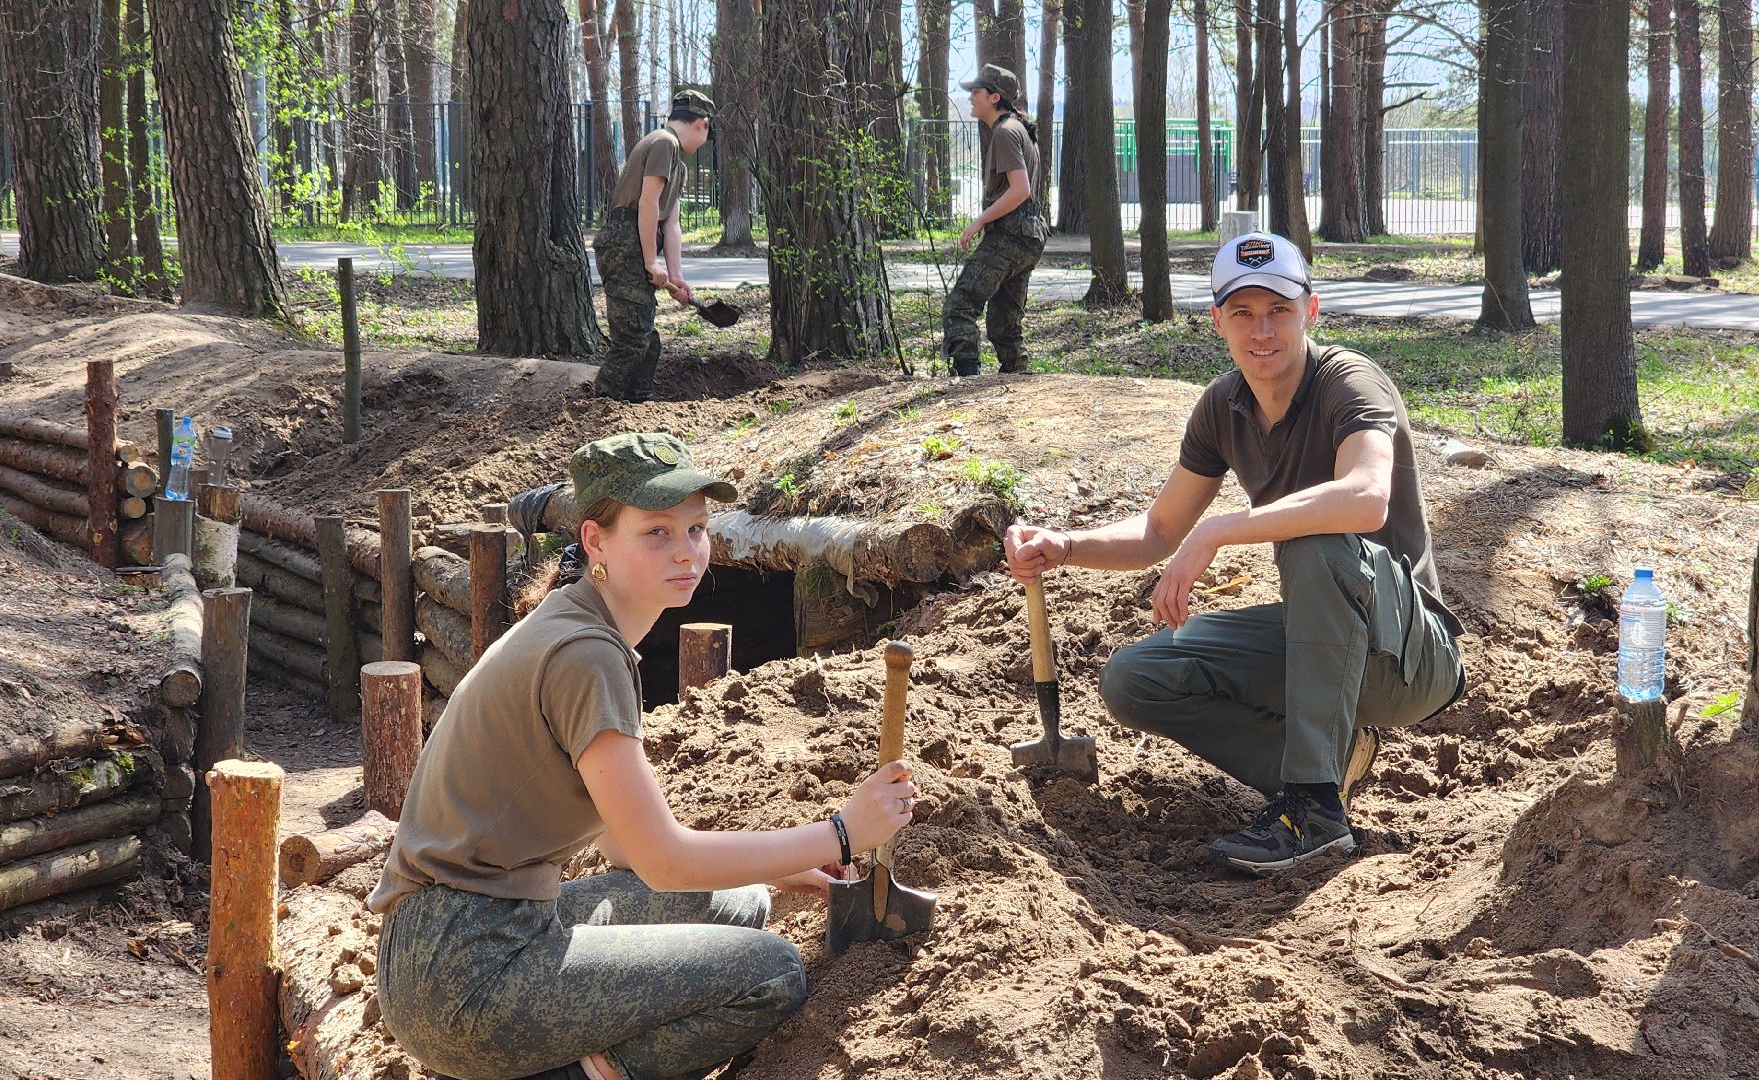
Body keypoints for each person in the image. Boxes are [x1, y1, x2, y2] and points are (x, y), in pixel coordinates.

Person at [369, 432, 918, 1080]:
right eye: (657, 532)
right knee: (770, 974)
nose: (686, 552)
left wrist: (786, 863)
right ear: (597, 542)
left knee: (739, 903)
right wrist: (842, 832)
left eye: (696, 529)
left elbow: (628, 850)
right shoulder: (587, 656)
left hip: (468, 938)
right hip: (463, 977)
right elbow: (661, 860)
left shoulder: (580, 625)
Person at [1002, 233, 1466, 875]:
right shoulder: (1224, 406)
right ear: (1217, 320)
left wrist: (1219, 530)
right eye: (1243, 313)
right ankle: (1332, 762)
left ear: (1311, 309)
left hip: (1409, 657)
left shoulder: (1349, 382)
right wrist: (1064, 546)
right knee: (1136, 677)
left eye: (1278, 310)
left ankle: (1314, 812)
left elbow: (1364, 500)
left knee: (1316, 541)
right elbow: (1159, 532)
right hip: (1323, 647)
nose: (1263, 331)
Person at [594, 91, 715, 403]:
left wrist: (676, 277)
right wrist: (650, 262)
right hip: (624, 242)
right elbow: (647, 203)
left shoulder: (679, 166)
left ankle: (638, 403)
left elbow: (670, 224)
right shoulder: (665, 143)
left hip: (638, 242)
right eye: (707, 134)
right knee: (634, 339)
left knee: (648, 342)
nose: (704, 142)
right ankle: (602, 404)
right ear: (702, 124)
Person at [942, 64, 1052, 377]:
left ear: (994, 97)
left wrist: (978, 222)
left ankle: (967, 380)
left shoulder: (1005, 132)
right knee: (1004, 322)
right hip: (1028, 236)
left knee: (959, 307)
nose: (970, 99)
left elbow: (1020, 190)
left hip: (1010, 234)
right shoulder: (1017, 129)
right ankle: (1017, 380)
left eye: (975, 93)